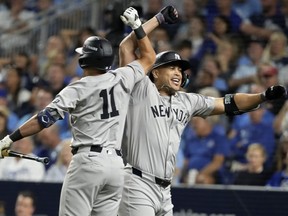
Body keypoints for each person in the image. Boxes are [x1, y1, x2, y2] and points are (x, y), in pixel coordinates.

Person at [118, 5, 287, 216]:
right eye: (171, 67)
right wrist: (158, 18)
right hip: (137, 183)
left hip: (165, 188)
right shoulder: (140, 90)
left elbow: (229, 103)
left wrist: (262, 97)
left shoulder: (188, 101)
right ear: (155, 73)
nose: (178, 72)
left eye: (180, 68)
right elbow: (126, 48)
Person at [0, 6, 156, 216]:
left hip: (88, 162)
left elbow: (43, 119)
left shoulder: (78, 87)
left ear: (86, 60)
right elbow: (149, 57)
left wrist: (10, 138)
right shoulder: (123, 77)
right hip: (116, 166)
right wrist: (138, 26)